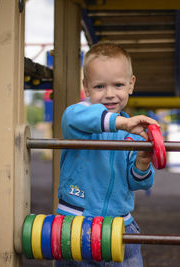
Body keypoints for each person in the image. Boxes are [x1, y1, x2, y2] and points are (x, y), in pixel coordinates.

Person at [55, 42, 158, 267]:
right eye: (100, 86)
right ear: (86, 86)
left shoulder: (135, 134)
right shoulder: (77, 118)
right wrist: (122, 123)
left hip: (119, 224)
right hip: (76, 222)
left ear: (131, 85)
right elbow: (75, 117)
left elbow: (139, 183)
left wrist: (142, 161)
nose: (110, 94)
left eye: (118, 85)